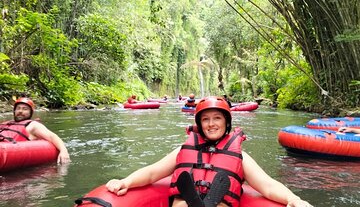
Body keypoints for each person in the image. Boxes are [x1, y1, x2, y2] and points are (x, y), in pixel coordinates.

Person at [106, 96, 313, 207]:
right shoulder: (183, 149)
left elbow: (267, 185)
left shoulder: (240, 156)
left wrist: (292, 199)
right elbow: (153, 172)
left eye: (217, 118)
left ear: (226, 122)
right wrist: (126, 182)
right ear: (199, 123)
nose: (211, 124)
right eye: (206, 119)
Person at [0, 97, 70, 164]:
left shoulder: (33, 125)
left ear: (31, 112)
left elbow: (52, 136)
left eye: (25, 109)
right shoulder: (7, 123)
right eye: (18, 108)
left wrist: (63, 151)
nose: (20, 111)